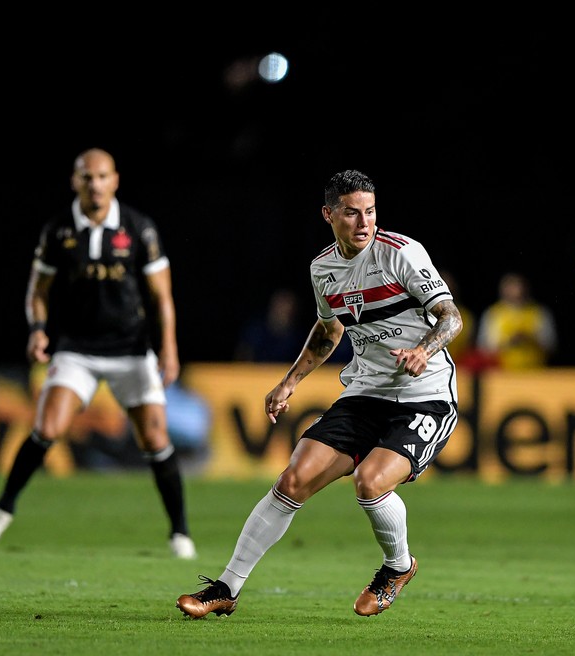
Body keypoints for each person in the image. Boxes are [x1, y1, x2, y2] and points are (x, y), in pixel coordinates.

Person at [175, 169, 463, 619]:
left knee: (370, 482)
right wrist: (290, 381)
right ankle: (226, 588)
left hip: (424, 395)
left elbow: (451, 317)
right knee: (291, 481)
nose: (363, 222)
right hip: (366, 393)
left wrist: (424, 350)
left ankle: (398, 566)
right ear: (329, 214)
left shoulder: (403, 254)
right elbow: (329, 330)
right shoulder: (323, 269)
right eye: (351, 213)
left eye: (369, 211)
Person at [0, 148, 197, 559]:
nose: (94, 184)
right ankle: (1, 509)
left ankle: (180, 533)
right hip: (77, 348)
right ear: (75, 182)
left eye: (101, 176)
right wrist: (38, 329)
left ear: (115, 180)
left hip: (131, 350)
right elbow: (37, 293)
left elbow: (162, 296)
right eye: (86, 178)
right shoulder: (59, 230)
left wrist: (168, 348)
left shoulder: (138, 228)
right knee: (49, 427)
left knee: (155, 438)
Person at [476, 271, 557, 369]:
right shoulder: (493, 314)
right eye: (511, 286)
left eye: (518, 286)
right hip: (501, 374)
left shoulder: (539, 312)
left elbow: (551, 345)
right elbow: (483, 349)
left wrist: (530, 339)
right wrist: (509, 342)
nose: (516, 290)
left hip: (536, 372)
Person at [233, 288, 307, 362]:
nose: (284, 311)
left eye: (289, 307)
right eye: (281, 305)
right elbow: (242, 359)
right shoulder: (255, 331)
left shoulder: (299, 337)